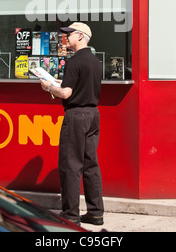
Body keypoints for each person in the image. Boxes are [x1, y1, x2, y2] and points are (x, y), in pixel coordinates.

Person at [40, 22, 104, 226]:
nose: (66, 37)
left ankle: (70, 215)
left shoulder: (75, 61)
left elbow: (67, 92)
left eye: (69, 34)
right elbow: (77, 84)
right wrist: (59, 84)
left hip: (76, 117)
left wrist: (49, 86)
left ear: (80, 36)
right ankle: (95, 212)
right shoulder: (95, 61)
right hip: (93, 114)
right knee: (90, 164)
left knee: (70, 165)